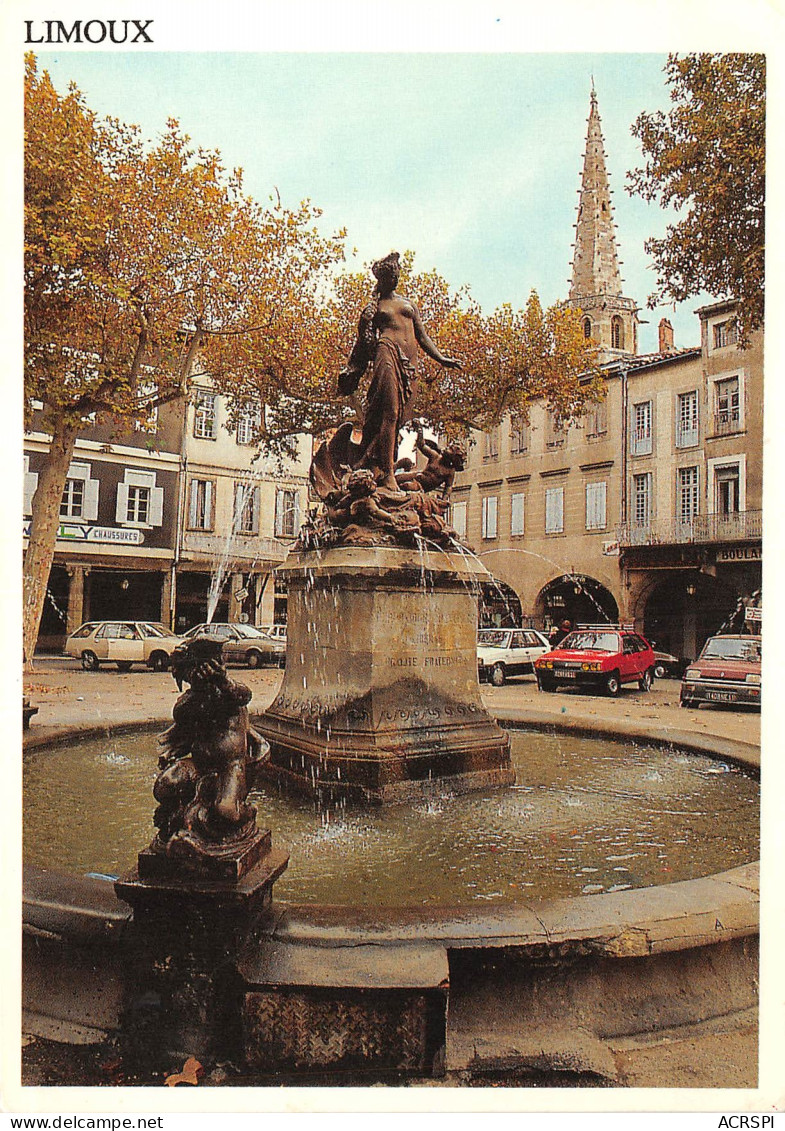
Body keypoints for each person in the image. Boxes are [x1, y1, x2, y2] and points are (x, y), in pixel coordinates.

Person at [338, 252, 461, 491]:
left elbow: (423, 337)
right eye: (390, 276)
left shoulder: (408, 304)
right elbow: (362, 344)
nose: (395, 280)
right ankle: (388, 473)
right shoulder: (373, 309)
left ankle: (379, 464)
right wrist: (353, 371)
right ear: (382, 279)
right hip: (387, 353)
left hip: (409, 364)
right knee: (391, 413)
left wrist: (441, 358)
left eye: (396, 276)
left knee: (399, 417)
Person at [395, 421, 467, 496]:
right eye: (448, 447)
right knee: (396, 479)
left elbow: (448, 487)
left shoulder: (450, 472)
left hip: (420, 486)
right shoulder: (435, 456)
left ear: (454, 458)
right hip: (417, 476)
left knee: (406, 486)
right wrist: (420, 430)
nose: (446, 448)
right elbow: (421, 445)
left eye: (450, 449)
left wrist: (444, 500)